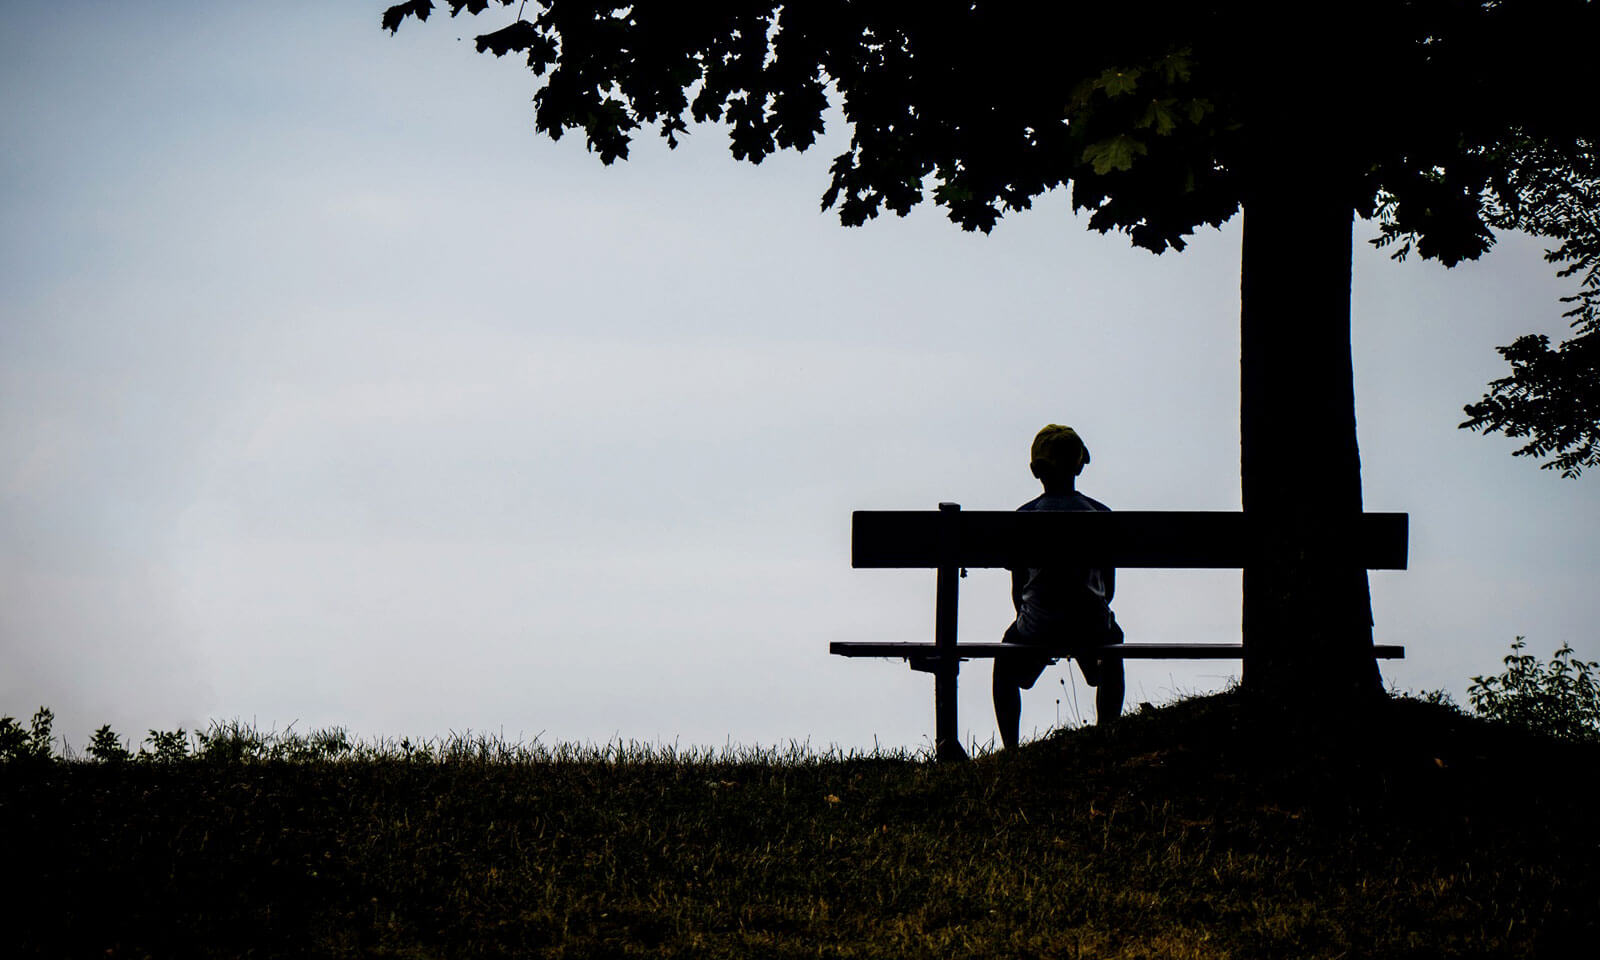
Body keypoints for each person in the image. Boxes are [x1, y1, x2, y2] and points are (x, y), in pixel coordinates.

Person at [993, 424, 1125, 749]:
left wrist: (1035, 621)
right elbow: (1108, 589)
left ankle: (1011, 750)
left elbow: (1017, 590)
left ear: (1036, 470)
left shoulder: (1023, 519)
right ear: (1080, 465)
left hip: (1038, 625)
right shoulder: (1100, 516)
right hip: (1091, 626)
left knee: (1004, 665)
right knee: (1112, 643)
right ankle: (1106, 734)